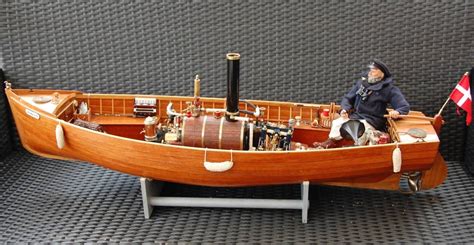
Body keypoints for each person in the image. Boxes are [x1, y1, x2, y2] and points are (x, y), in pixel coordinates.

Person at [313, 59, 410, 148]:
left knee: (356, 128)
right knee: (337, 122)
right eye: (371, 69)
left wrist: (397, 112)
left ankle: (356, 148)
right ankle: (330, 142)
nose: (370, 72)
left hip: (372, 120)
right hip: (356, 115)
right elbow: (348, 98)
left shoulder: (389, 89)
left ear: (382, 74)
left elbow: (403, 106)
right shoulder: (362, 84)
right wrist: (344, 109)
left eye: (374, 70)